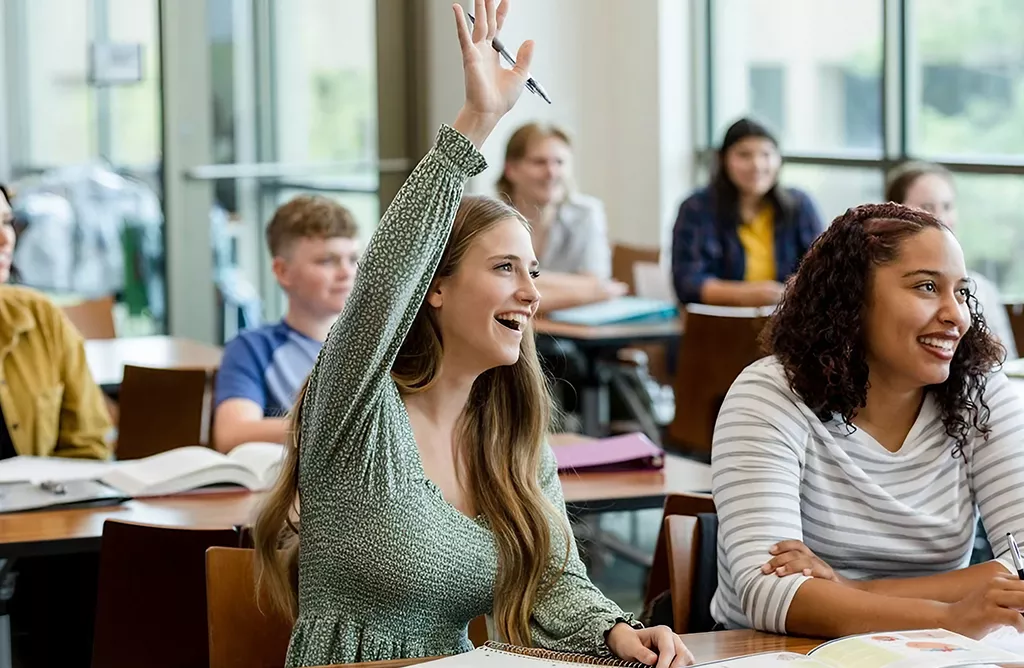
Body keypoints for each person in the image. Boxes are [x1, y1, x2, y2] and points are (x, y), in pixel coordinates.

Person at [252, 3, 692, 667]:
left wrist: (614, 632)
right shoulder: (357, 406)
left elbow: (551, 578)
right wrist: (477, 122)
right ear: (435, 286)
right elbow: (380, 283)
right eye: (505, 268)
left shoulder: (509, 431)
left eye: (534, 271)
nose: (532, 292)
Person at [711, 201, 1024, 641]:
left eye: (961, 292)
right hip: (780, 652)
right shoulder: (770, 394)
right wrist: (949, 615)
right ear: (851, 299)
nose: (957, 315)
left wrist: (849, 588)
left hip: (931, 652)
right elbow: (769, 594)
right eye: (927, 287)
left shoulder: (979, 389)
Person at [212, 195, 359, 452]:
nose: (346, 272)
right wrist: (341, 429)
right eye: (327, 260)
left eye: (353, 259)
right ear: (282, 272)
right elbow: (232, 433)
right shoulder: (253, 348)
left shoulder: (382, 345)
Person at [0, 182, 113, 460]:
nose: (5, 239)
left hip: (44, 502)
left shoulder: (41, 316)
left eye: (6, 222)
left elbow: (88, 444)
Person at [671, 118, 823, 307]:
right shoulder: (696, 208)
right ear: (723, 159)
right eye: (744, 155)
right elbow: (687, 283)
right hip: (719, 324)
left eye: (766, 154)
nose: (757, 165)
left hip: (788, 322)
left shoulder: (799, 205)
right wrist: (751, 295)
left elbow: (823, 271)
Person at [886, 161, 1017, 360]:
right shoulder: (884, 285)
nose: (941, 218)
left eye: (947, 206)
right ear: (894, 211)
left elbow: (1006, 363)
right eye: (927, 207)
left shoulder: (982, 289)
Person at [498, 122, 627, 311]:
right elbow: (493, 290)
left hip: (571, 332)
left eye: (559, 162)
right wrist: (584, 291)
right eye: (539, 162)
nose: (551, 172)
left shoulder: (587, 213)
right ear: (511, 170)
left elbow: (597, 284)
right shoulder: (491, 220)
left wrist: (517, 279)